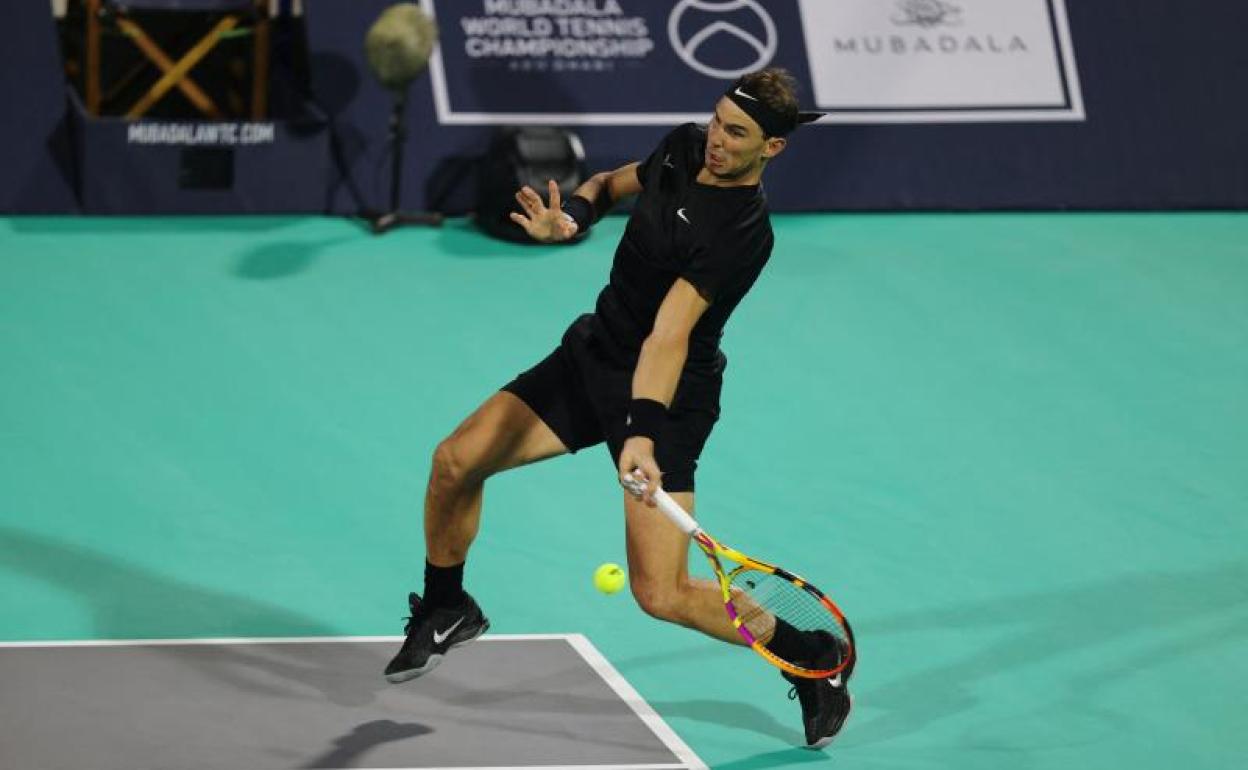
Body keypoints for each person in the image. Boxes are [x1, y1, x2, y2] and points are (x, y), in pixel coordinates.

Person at [383, 67, 852, 747]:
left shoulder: (742, 233)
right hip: (594, 357)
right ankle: (447, 604)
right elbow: (605, 187)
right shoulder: (686, 147)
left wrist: (640, 434)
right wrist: (569, 218)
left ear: (772, 149)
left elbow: (669, 336)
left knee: (661, 593)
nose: (718, 139)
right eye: (719, 120)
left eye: (738, 133)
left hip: (669, 399)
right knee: (456, 461)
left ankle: (808, 656)